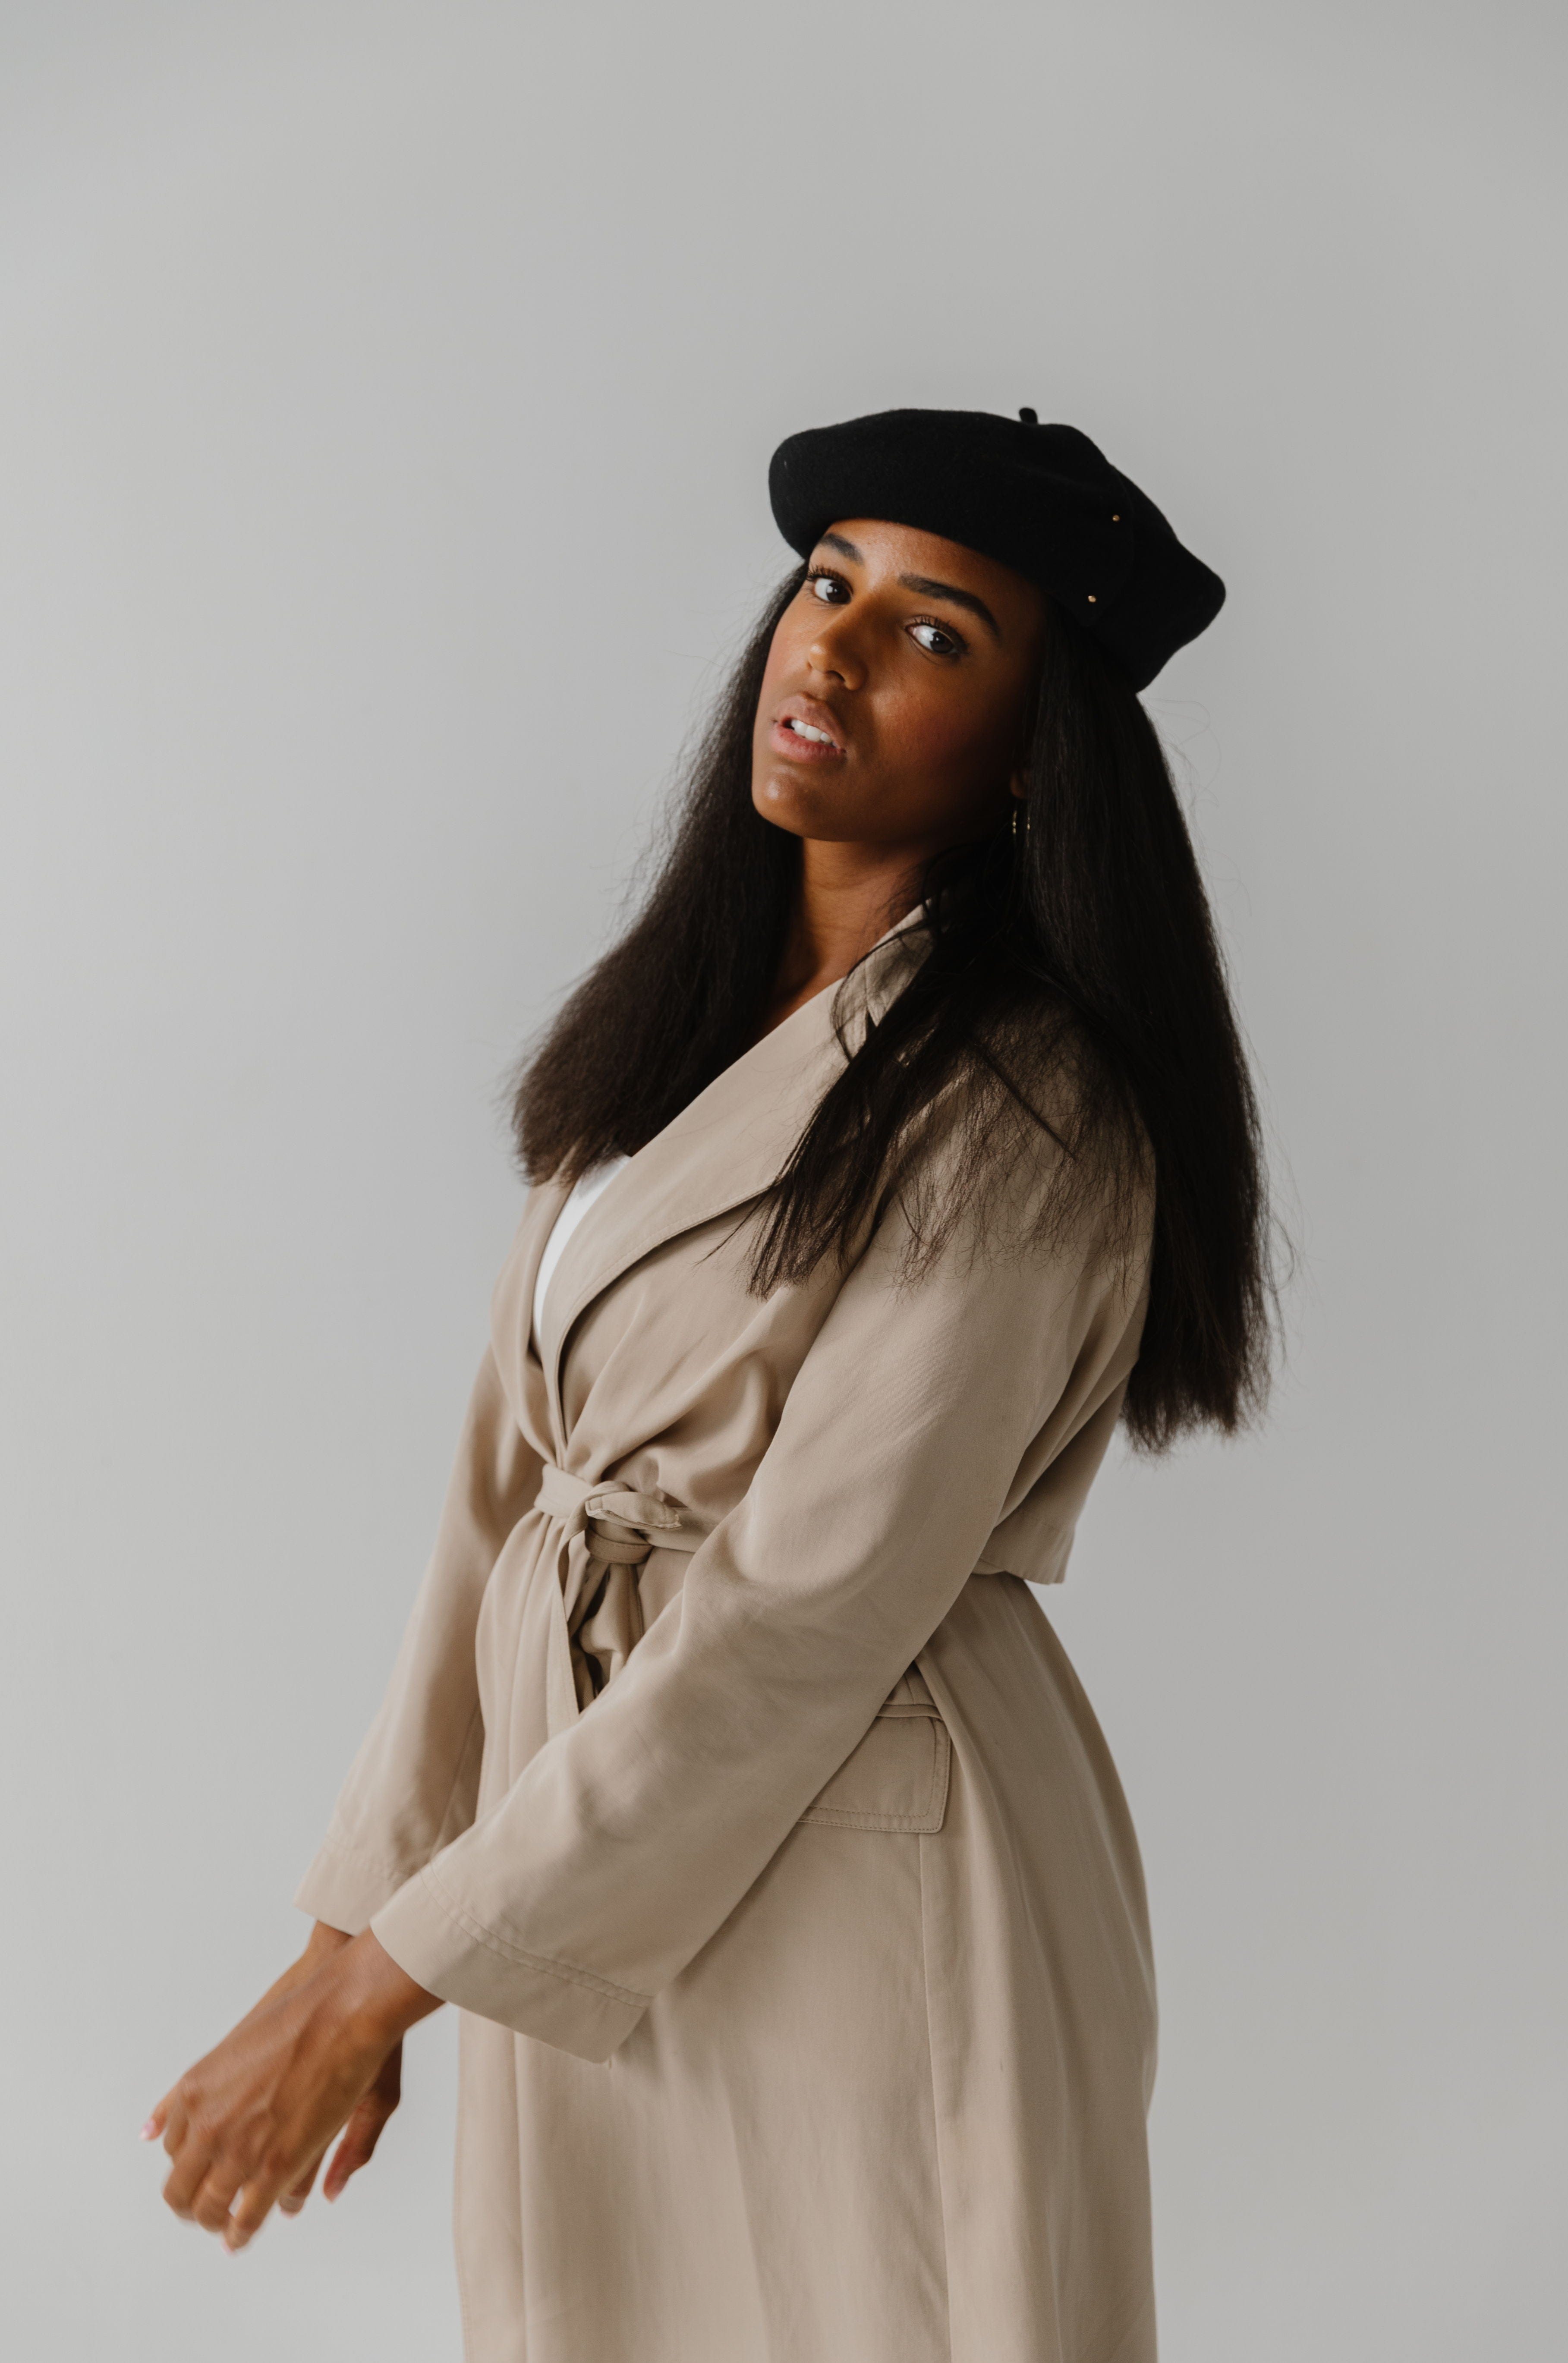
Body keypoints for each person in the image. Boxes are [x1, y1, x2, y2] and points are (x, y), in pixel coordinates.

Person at [146, 406, 1272, 2363]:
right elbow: (497, 1510)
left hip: (872, 1852)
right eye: (825, 583)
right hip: (582, 1845)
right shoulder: (663, 1043)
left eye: (936, 630)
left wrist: (377, 1993)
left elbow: (805, 1614)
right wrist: (353, 1930)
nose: (827, 649)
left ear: (1033, 760)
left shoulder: (1024, 1106)